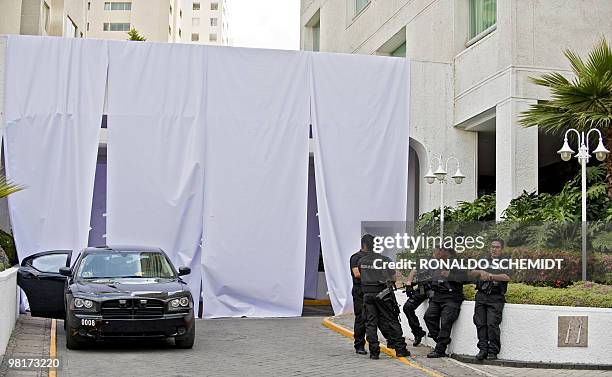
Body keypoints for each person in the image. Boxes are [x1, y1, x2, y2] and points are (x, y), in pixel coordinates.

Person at [359, 248, 410, 359]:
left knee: (371, 323)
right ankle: (400, 349)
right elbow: (393, 278)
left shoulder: (362, 261)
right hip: (383, 295)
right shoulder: (386, 260)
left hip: (368, 295)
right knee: (392, 320)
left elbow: (360, 276)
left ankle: (374, 352)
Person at [469, 238, 511, 360]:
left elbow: (507, 277)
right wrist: (481, 271)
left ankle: (493, 351)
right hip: (481, 295)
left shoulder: (506, 261)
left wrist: (491, 276)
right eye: (492, 246)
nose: (494, 249)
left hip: (496, 296)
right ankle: (483, 350)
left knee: (492, 324)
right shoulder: (483, 260)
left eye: (497, 247)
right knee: (480, 323)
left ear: (502, 249)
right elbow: (471, 273)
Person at [423, 247, 469, 358]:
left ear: (445, 252)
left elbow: (466, 279)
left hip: (452, 298)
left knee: (446, 321)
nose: (435, 253)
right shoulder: (436, 264)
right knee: (428, 317)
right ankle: (442, 339)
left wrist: (450, 276)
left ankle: (440, 350)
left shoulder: (458, 263)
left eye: (437, 251)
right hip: (437, 297)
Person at [348, 234, 373, 355]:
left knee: (373, 318)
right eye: (371, 244)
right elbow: (357, 274)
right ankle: (359, 345)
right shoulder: (355, 258)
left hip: (372, 290)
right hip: (360, 291)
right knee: (361, 318)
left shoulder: (374, 257)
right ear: (364, 244)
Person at [402, 254, 430, 346]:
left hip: (435, 290)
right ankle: (418, 332)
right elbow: (413, 271)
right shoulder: (424, 259)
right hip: (422, 289)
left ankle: (434, 332)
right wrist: (409, 285)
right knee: (407, 307)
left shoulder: (441, 260)